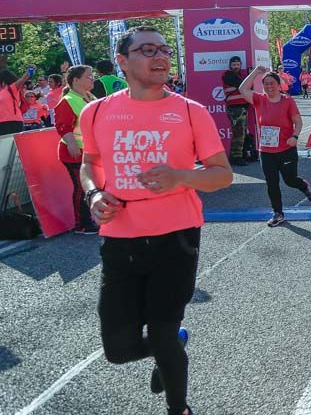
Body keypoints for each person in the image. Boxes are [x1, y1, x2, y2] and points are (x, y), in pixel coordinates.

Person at [80, 25, 232, 415]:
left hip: (176, 238)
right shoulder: (95, 111)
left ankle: (178, 408)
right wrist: (94, 193)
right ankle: (174, 345)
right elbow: (89, 164)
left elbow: (222, 174)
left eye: (164, 49)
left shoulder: (189, 111)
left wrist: (181, 176)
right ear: (122, 61)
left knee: (161, 335)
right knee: (117, 350)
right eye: (147, 50)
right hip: (119, 239)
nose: (160, 56)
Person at [238, 65, 311, 226]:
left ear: (279, 85)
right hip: (266, 151)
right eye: (265, 83)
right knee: (271, 182)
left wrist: (295, 136)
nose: (268, 86)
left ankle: (303, 185)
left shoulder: (287, 102)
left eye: (272, 83)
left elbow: (298, 122)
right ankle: (278, 213)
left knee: (289, 180)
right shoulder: (260, 100)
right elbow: (242, 89)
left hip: (286, 149)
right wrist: (256, 73)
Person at [53, 64, 99, 234]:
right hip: (74, 153)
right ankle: (82, 224)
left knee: (92, 186)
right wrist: (72, 144)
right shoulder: (68, 101)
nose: (92, 79)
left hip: (89, 152)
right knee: (81, 187)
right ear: (76, 80)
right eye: (88, 76)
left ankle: (92, 219)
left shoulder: (90, 97)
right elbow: (63, 126)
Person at [221, 56, 251, 166]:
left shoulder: (242, 75)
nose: (236, 66)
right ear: (230, 65)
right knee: (238, 133)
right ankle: (236, 157)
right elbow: (242, 85)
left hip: (242, 107)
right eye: (234, 65)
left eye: (237, 64)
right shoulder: (227, 75)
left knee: (241, 133)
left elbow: (245, 86)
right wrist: (244, 85)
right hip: (234, 108)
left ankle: (239, 155)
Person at [0, 67, 31, 139]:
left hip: (13, 121)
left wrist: (30, 70)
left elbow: (22, 80)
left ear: (2, 79)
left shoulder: (12, 88)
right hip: (1, 122)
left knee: (14, 145)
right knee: (0, 145)